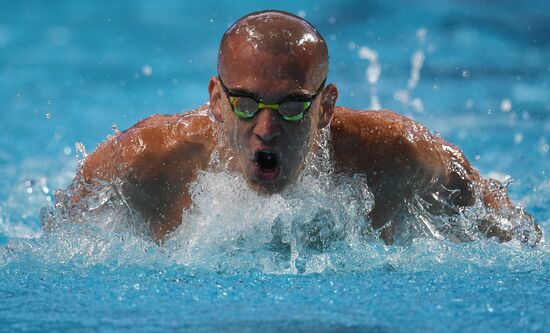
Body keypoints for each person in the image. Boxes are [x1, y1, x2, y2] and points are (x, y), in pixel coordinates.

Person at [53, 10, 541, 245]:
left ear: (326, 107)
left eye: (291, 107)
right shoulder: (143, 158)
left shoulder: (398, 154)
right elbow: (60, 236)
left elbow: (520, 238)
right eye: (245, 104)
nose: (266, 128)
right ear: (216, 102)